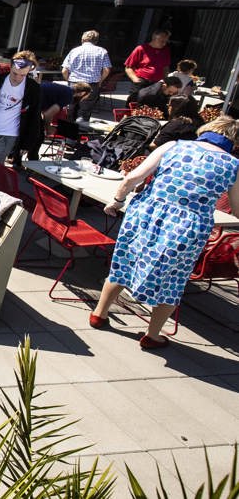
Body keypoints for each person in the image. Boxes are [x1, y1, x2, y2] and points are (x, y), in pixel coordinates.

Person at [92, 116, 239, 349]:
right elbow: (237, 208)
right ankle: (153, 335)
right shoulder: (232, 165)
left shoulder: (174, 145)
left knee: (123, 264)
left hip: (147, 213)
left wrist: (117, 201)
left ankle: (99, 314)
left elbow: (132, 177)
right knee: (173, 281)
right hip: (188, 227)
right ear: (233, 140)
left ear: (206, 130)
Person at [0, 51, 43, 166]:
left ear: (28, 72)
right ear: (10, 67)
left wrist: (27, 143)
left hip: (11, 133)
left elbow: (34, 116)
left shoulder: (33, 88)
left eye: (22, 75)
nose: (17, 78)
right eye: (15, 73)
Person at [61, 29, 113, 124]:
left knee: (71, 109)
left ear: (82, 40)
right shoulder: (102, 51)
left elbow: (64, 70)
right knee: (84, 112)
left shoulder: (74, 51)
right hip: (92, 84)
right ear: (96, 41)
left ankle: (67, 134)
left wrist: (69, 80)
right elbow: (106, 70)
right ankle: (80, 133)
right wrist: (100, 81)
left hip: (75, 83)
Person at [124, 29, 172, 95]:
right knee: (135, 101)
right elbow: (128, 67)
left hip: (157, 83)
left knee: (151, 103)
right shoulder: (141, 49)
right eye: (162, 41)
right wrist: (135, 79)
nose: (164, 43)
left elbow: (166, 67)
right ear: (154, 38)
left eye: (166, 41)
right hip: (142, 81)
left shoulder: (166, 50)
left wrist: (165, 80)